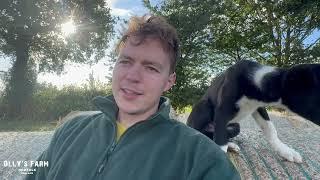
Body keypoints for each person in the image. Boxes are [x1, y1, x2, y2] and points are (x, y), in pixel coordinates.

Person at [25, 15, 240, 180]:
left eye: (151, 68)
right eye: (125, 62)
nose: (132, 76)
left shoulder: (203, 159)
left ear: (169, 81)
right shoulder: (70, 131)